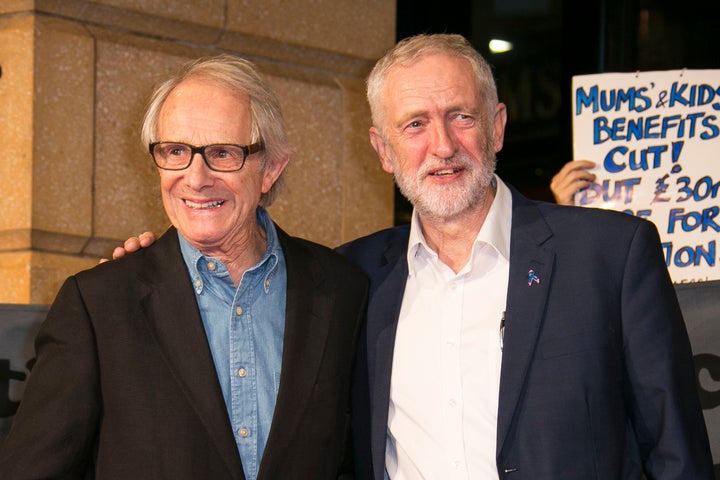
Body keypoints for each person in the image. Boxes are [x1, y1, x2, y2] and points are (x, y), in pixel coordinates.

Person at [109, 35, 715, 479]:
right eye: (415, 124)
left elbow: (677, 454)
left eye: (461, 117)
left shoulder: (610, 255)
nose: (442, 145)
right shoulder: (347, 280)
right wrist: (157, 266)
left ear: (498, 127)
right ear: (382, 149)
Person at [0, 55, 368, 480]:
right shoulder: (100, 305)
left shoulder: (342, 290)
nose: (195, 178)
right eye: (175, 151)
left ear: (269, 169)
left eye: (222, 153)